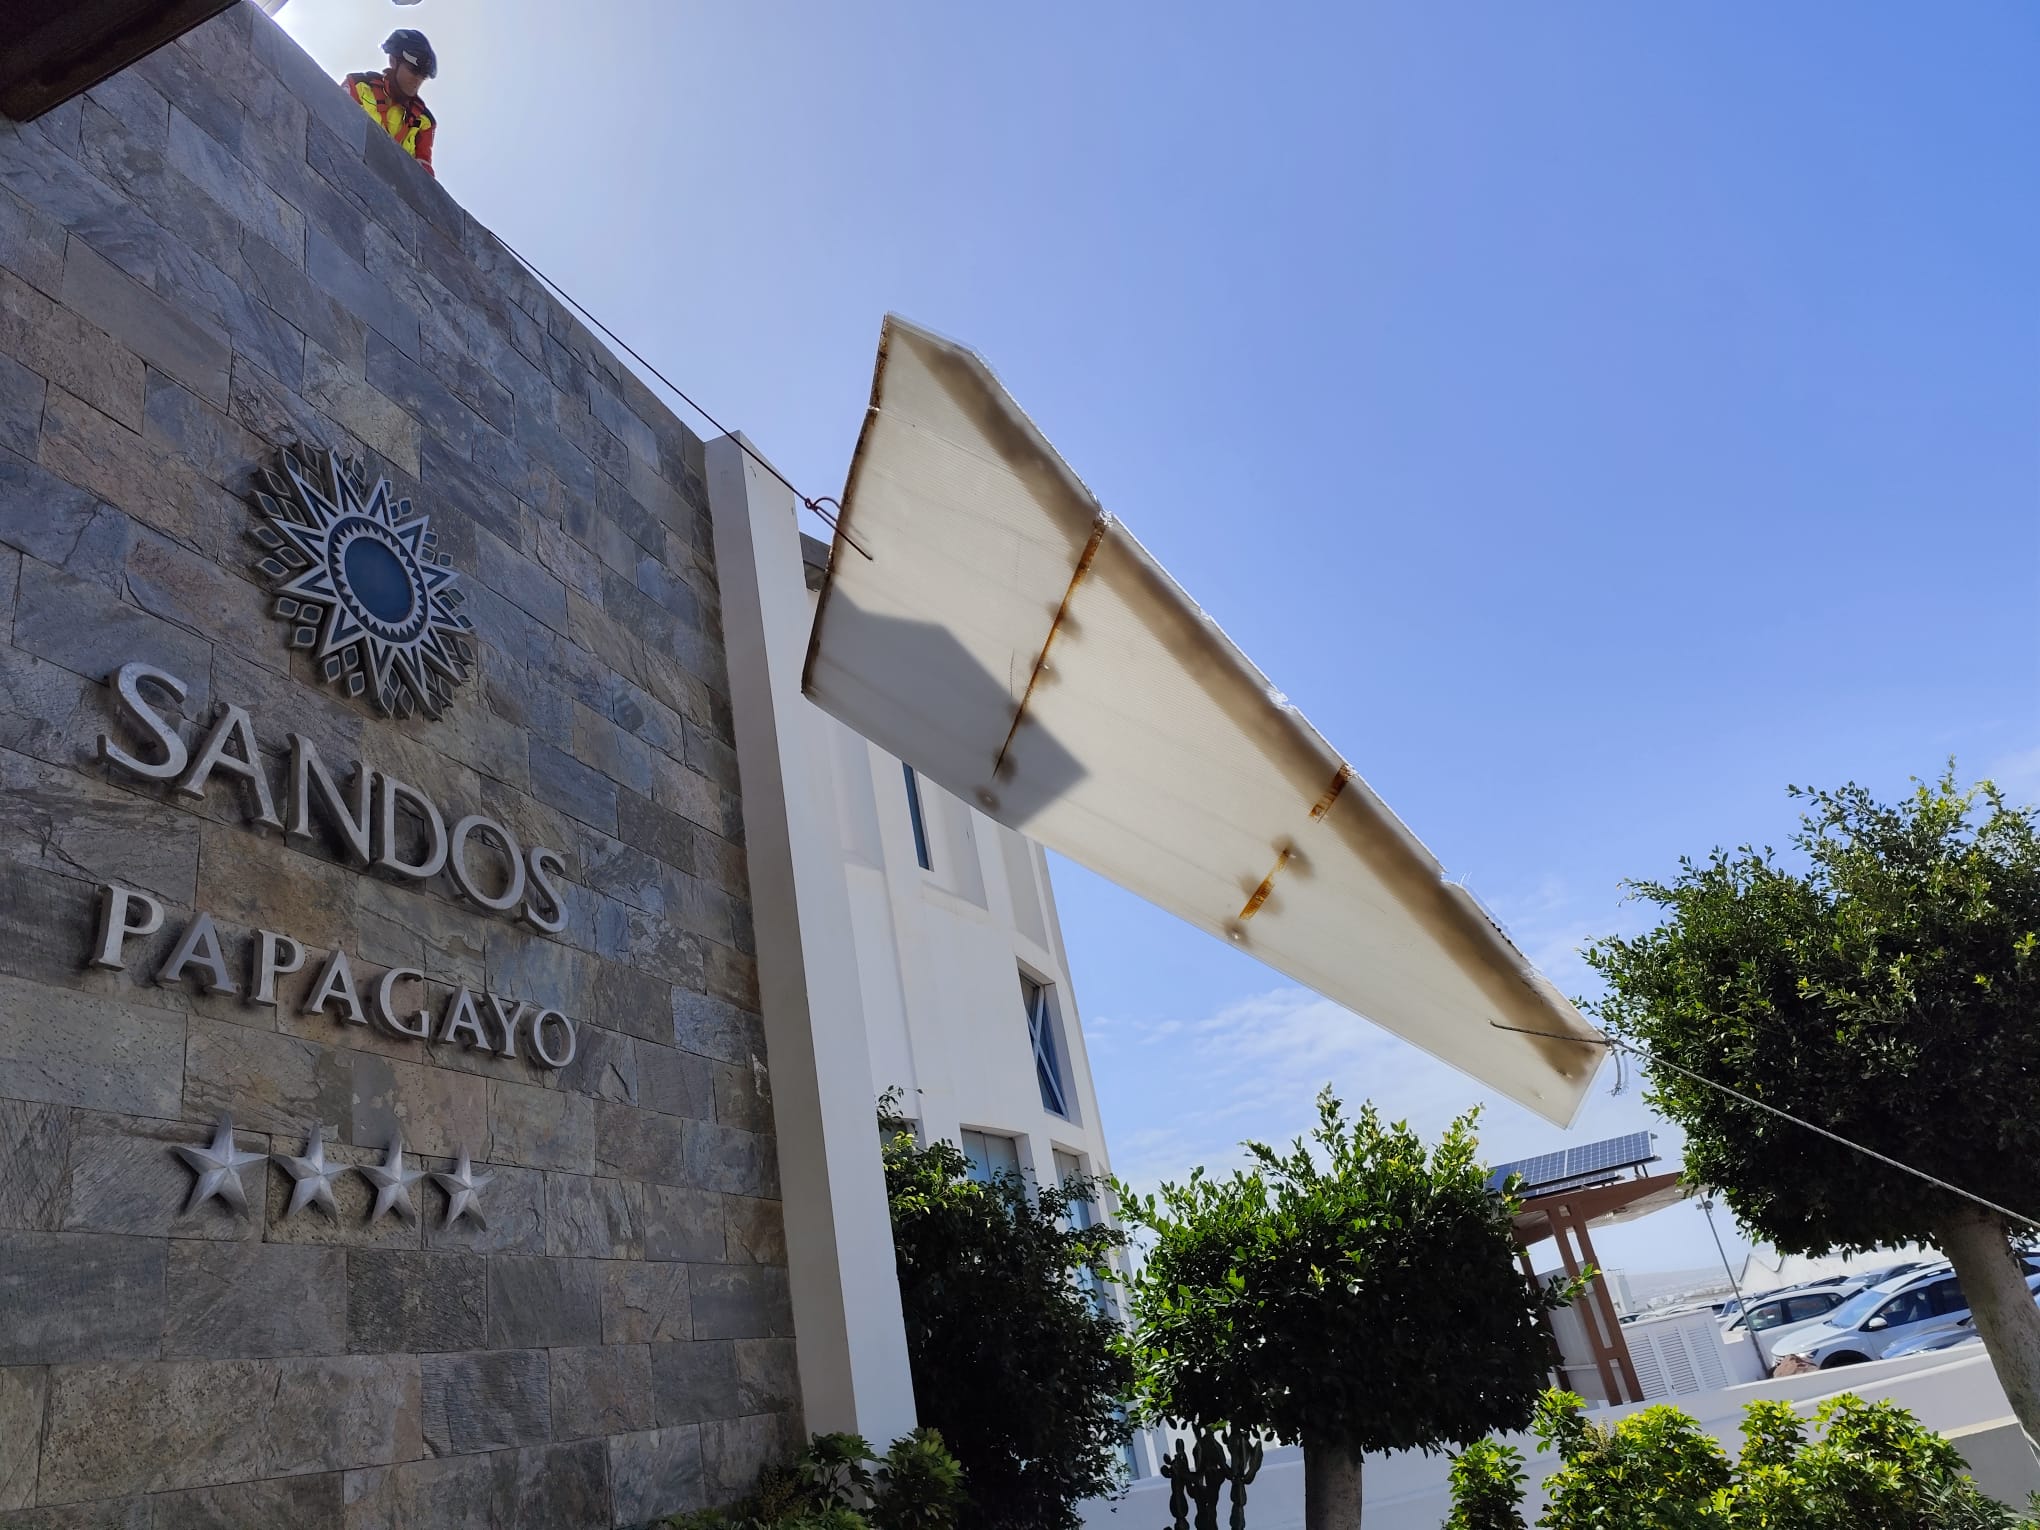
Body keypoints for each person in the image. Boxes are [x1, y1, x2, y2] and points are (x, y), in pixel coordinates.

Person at [344, 30, 438, 177]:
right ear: (393, 61)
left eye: (423, 76)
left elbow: (424, 179)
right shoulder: (358, 85)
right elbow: (332, 120)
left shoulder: (425, 122)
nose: (418, 80)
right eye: (413, 70)